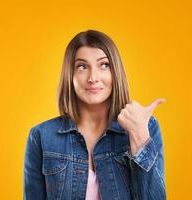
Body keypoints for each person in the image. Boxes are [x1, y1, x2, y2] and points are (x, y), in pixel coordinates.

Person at [23, 29, 166, 200]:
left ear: (115, 72)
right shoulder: (41, 136)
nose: (93, 77)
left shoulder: (147, 128)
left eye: (104, 65)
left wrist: (139, 137)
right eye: (82, 67)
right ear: (70, 75)